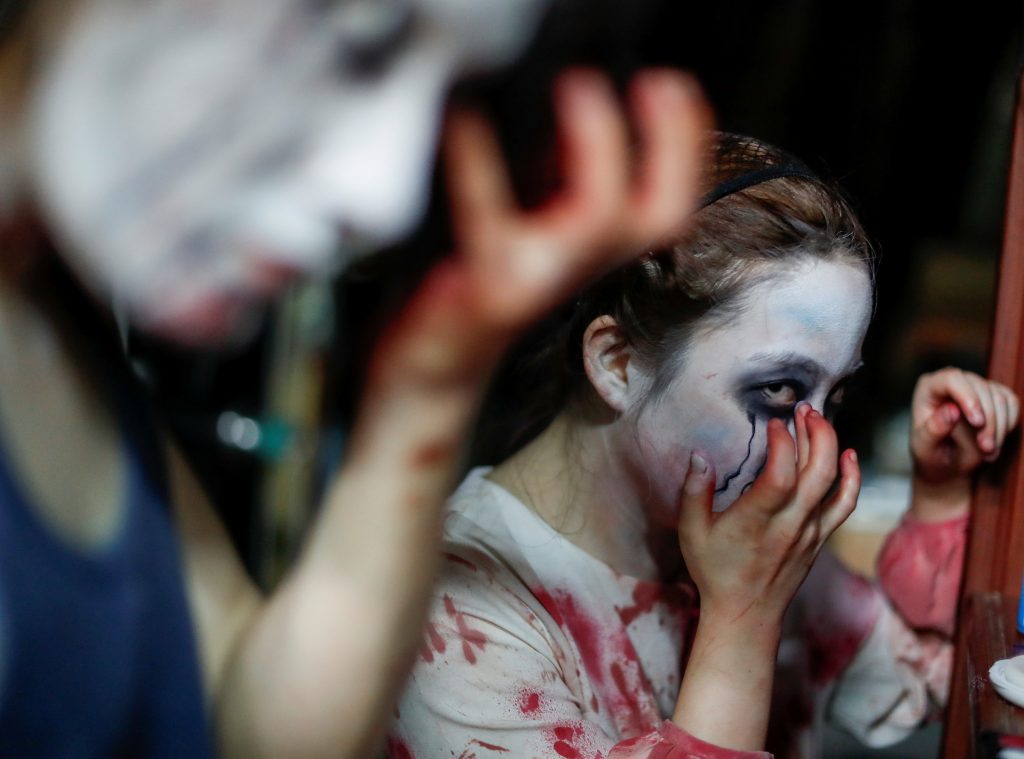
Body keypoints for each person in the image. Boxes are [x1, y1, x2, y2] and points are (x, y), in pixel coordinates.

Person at [0, 0, 711, 756]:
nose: (385, 194)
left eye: (447, 95)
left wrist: (428, 390)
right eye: (359, 34)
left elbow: (256, 730)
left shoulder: (50, 320)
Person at [388, 133, 1020, 758]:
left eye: (836, 397)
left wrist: (938, 496)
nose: (815, 448)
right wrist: (741, 622)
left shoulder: (747, 541)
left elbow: (943, 681)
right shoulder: (455, 615)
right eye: (776, 388)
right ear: (618, 363)